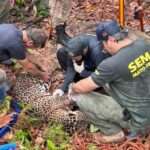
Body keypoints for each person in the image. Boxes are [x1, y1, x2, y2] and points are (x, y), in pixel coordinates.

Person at [68, 20, 150, 143]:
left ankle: (113, 133)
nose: (104, 49)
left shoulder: (111, 65)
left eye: (103, 44)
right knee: (108, 81)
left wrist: (72, 87)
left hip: (140, 123)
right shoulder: (143, 44)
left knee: (81, 97)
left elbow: (82, 88)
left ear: (111, 40)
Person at [53, 21, 121, 97]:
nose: (73, 59)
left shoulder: (98, 52)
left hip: (99, 71)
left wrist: (83, 72)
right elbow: (70, 68)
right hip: (87, 66)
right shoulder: (73, 48)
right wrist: (62, 89)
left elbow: (104, 76)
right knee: (61, 52)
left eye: (75, 57)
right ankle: (74, 82)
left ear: (84, 50)